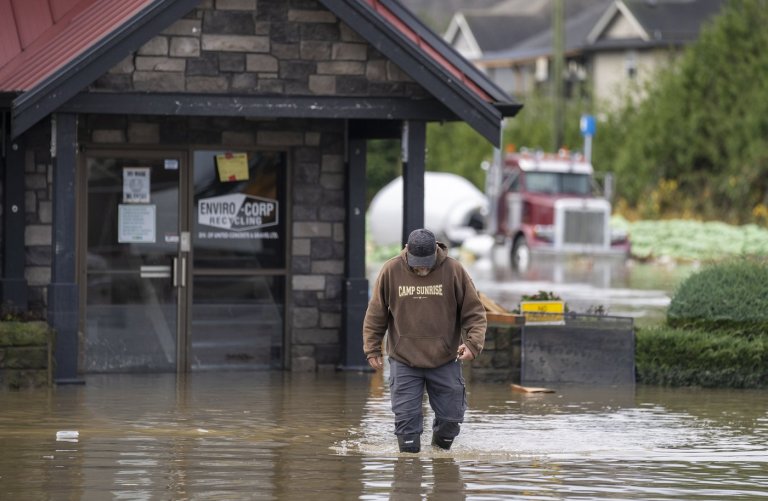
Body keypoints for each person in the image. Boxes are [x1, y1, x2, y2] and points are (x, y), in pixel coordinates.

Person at [363, 228, 487, 453]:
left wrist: (472, 344)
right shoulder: (391, 270)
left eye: (427, 263)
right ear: (407, 252)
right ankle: (408, 478)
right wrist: (372, 348)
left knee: (450, 422)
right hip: (404, 359)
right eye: (417, 263)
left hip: (446, 359)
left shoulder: (454, 270)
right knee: (407, 432)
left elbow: (474, 313)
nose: (422, 268)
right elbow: (376, 313)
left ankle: (441, 470)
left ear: (435, 253)